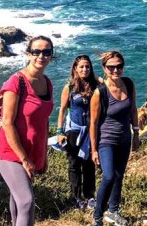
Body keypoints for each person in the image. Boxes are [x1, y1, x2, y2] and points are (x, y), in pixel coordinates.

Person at [0, 36, 54, 226]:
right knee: (27, 201)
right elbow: (7, 122)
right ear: (28, 54)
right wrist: (24, 159)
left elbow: (43, 123)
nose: (41, 56)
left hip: (31, 151)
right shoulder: (15, 82)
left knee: (17, 199)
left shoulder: (47, 82)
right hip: (10, 151)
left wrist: (42, 155)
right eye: (36, 51)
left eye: (46, 52)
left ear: (51, 55)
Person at [89, 51, 140, 226]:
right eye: (111, 67)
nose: (116, 70)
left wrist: (136, 134)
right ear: (104, 69)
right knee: (109, 176)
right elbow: (93, 123)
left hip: (124, 139)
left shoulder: (129, 84)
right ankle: (97, 216)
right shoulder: (100, 93)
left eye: (119, 66)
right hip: (106, 141)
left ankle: (113, 210)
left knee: (119, 176)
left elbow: (133, 109)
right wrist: (94, 149)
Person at [56, 55, 99, 209]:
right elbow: (61, 110)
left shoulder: (95, 86)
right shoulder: (69, 87)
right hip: (73, 131)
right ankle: (76, 197)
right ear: (75, 68)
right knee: (74, 164)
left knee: (89, 164)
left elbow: (107, 85)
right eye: (81, 66)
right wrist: (60, 131)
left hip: (91, 132)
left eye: (87, 66)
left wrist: (98, 78)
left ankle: (90, 196)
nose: (84, 69)